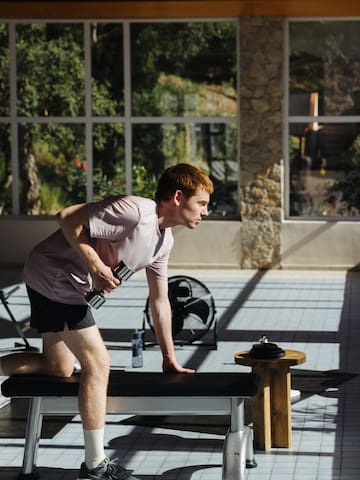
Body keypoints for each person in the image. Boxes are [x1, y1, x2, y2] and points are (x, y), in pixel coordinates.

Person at [0, 163, 214, 480]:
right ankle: (95, 465)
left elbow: (159, 300)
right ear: (179, 197)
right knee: (99, 363)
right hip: (55, 278)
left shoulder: (163, 241)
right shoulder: (134, 211)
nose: (206, 212)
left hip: (57, 282)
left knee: (56, 368)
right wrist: (97, 266)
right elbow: (67, 217)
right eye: (203, 203)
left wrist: (169, 359)